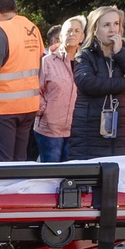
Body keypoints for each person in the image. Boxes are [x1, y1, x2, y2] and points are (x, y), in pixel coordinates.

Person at [69, 6, 125, 159]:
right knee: (89, 176)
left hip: (120, 129)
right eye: (106, 25)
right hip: (89, 131)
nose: (113, 29)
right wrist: (124, 82)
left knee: (117, 174)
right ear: (95, 29)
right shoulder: (85, 54)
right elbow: (87, 83)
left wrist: (120, 53)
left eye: (116, 24)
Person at [0, 0, 43, 162]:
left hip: (3, 108)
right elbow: (40, 63)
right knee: (19, 159)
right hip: (29, 106)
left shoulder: (1, 31)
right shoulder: (32, 28)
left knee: (2, 163)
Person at [34, 14, 84, 162]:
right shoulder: (47, 61)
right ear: (61, 36)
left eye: (76, 31)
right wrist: (45, 112)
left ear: (82, 37)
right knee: (50, 175)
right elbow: (37, 90)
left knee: (69, 176)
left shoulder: (87, 62)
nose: (72, 34)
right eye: (68, 31)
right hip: (49, 129)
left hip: (76, 129)